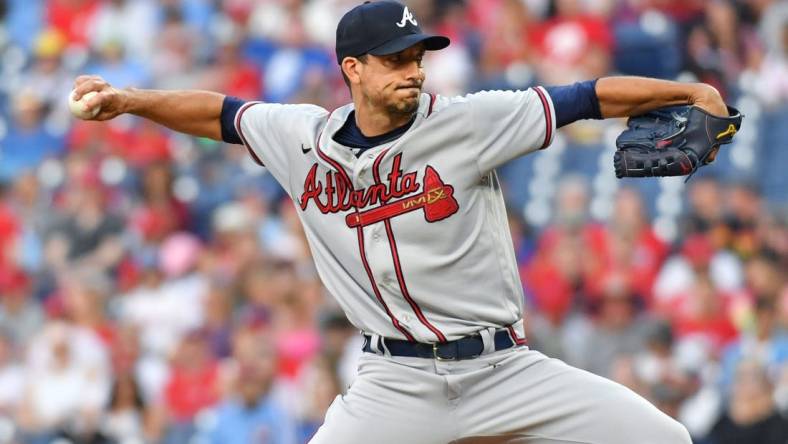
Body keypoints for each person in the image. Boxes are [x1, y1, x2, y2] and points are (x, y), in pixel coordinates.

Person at [70, 2, 732, 442]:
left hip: (503, 369)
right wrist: (130, 100)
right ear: (352, 69)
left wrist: (688, 91)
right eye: (395, 59)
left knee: (663, 439)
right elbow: (219, 114)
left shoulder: (470, 121)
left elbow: (588, 96)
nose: (412, 70)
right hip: (395, 383)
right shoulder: (302, 138)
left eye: (417, 57)